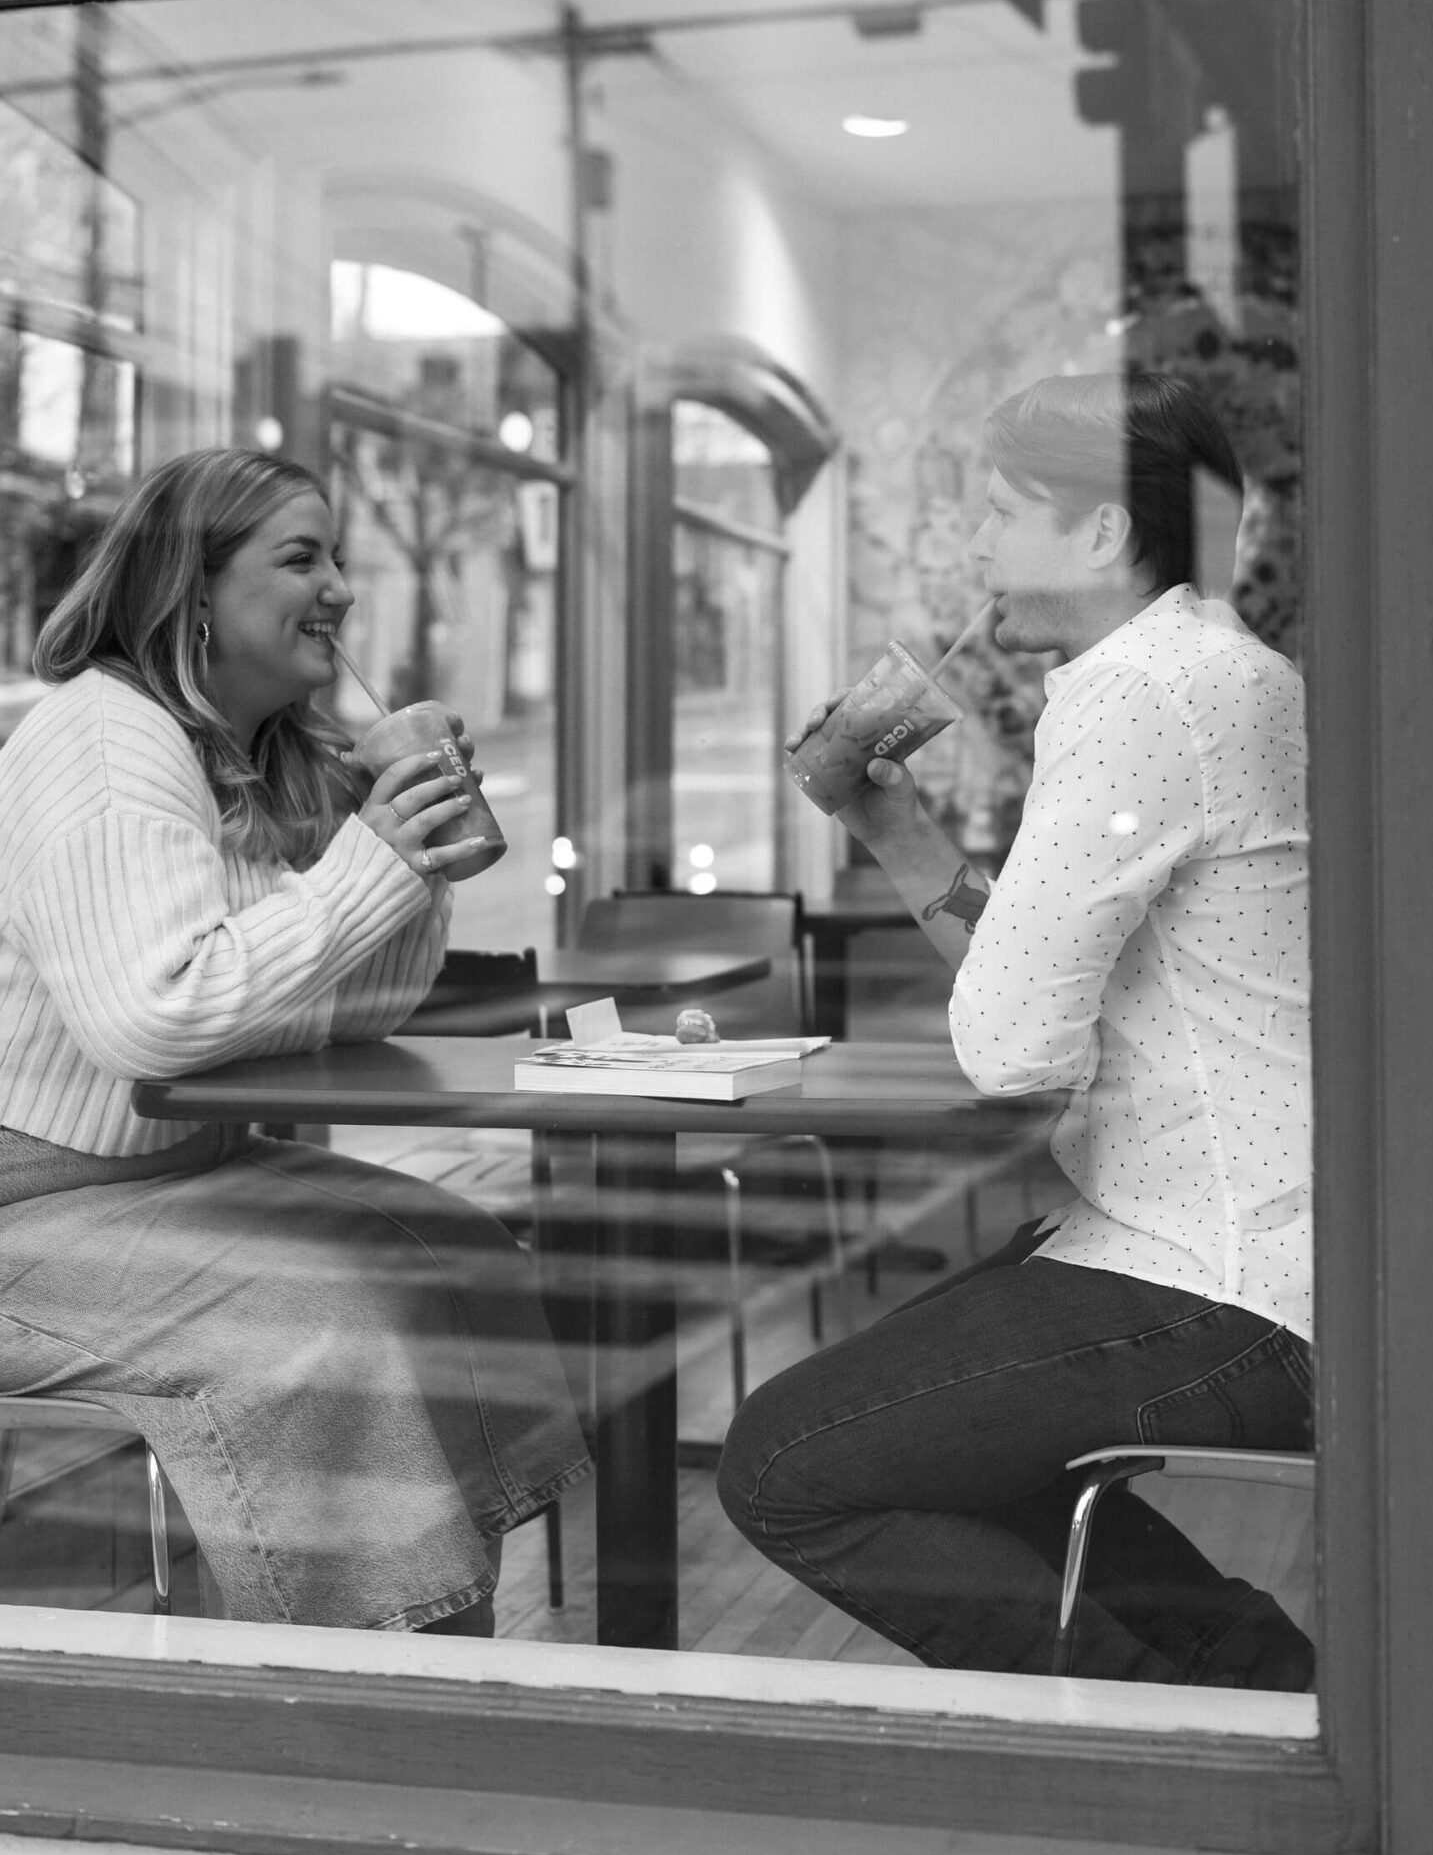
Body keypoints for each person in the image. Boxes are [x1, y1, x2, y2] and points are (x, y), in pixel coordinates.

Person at [719, 372, 1314, 1685]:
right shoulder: (1214, 672)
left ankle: (1155, 1745)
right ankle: (1258, 1695)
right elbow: (1060, 994)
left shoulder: (1133, 694)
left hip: (1219, 1273)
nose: (971, 545)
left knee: (779, 1463)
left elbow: (1010, 1049)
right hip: (1233, 1246)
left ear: (1101, 533)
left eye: (996, 511)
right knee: (936, 1449)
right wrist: (886, 824)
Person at [0, 448, 588, 1633]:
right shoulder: (108, 739)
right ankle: (349, 1693)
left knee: (451, 1242)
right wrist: (370, 863)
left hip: (163, 1174)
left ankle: (439, 1635)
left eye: (339, 558)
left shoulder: (243, 755)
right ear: (193, 586)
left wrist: (413, 866)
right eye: (300, 556)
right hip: (29, 1198)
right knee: (325, 1318)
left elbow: (339, 1009)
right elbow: (154, 1015)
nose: (340, 588)